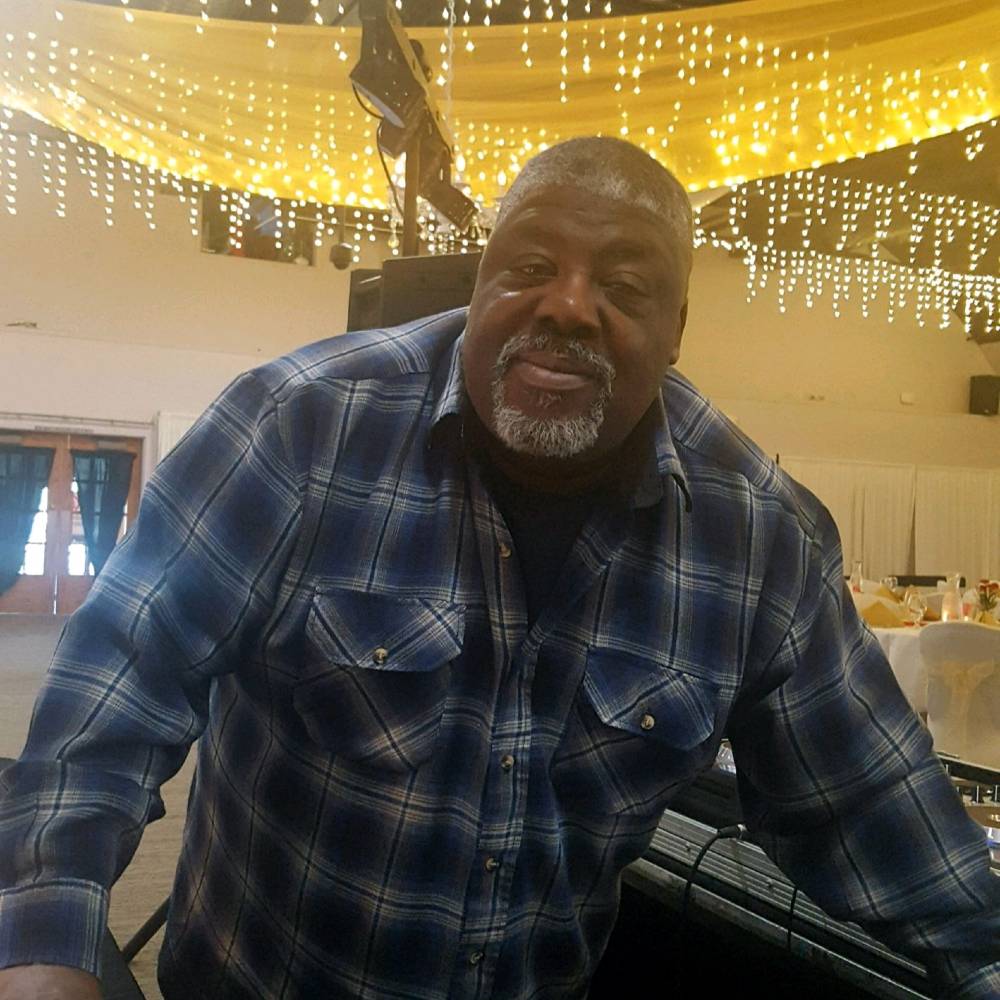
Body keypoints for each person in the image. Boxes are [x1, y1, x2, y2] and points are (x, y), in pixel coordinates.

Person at [1, 136, 998, 1000]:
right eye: (530, 266)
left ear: (679, 332)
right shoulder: (299, 428)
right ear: (479, 282)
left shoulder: (757, 538)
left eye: (625, 287)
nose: (568, 307)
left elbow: (877, 810)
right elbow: (110, 701)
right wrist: (45, 947)